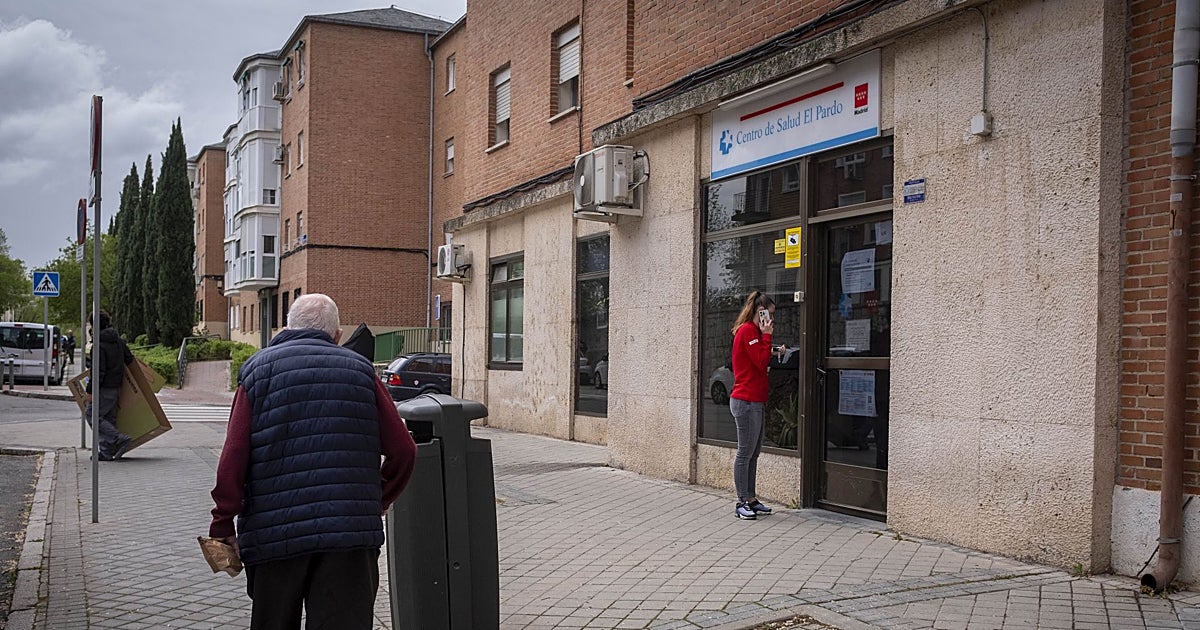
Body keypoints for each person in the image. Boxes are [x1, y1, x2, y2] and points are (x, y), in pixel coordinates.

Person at [209, 293, 418, 630]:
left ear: (287, 327)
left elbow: (233, 457)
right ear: (336, 336)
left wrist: (222, 524)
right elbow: (404, 450)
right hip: (348, 537)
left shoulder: (258, 371)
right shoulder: (361, 371)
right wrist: (376, 500)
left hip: (274, 535)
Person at [729, 290, 780, 520]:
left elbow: (759, 354)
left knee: (754, 453)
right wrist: (767, 336)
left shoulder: (755, 333)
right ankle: (742, 500)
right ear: (759, 313)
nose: (771, 320)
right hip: (745, 401)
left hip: (755, 400)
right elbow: (759, 362)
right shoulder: (748, 331)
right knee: (745, 453)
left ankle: (751, 498)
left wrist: (773, 347)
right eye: (768, 315)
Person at [83, 311, 133, 461]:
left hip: (103, 388)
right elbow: (129, 359)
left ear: (93, 325)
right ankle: (106, 452)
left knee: (92, 415)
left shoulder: (98, 345)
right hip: (117, 387)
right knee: (108, 419)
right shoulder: (117, 340)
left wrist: (90, 391)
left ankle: (119, 438)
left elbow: (98, 371)